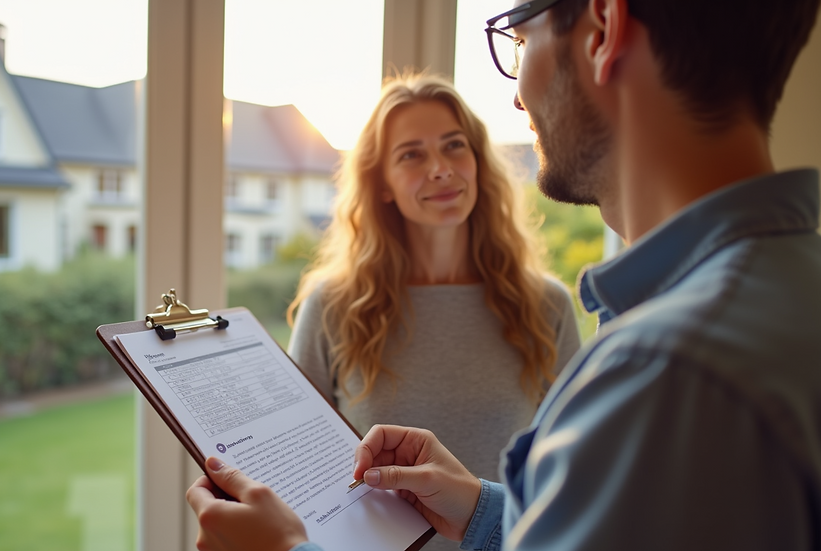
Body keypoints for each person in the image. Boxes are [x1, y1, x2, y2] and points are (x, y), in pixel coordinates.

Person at [186, 0, 821, 549]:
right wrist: (485, 511)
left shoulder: (661, 371)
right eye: (412, 155)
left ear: (603, 28)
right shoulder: (780, 300)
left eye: (518, 38)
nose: (516, 93)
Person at [284, 72, 581, 551]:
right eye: (412, 154)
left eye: (454, 146)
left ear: (478, 162)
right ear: (381, 184)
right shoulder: (332, 305)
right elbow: (301, 471)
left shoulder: (547, 306)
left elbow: (576, 475)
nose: (441, 168)